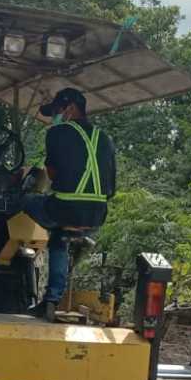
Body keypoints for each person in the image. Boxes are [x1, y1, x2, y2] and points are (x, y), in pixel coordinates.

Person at [20, 87, 116, 320]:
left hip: (63, 209)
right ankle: (51, 300)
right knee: (58, 238)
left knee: (20, 201)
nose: (55, 117)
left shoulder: (58, 132)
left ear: (71, 109)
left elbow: (51, 174)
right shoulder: (104, 138)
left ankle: (8, 266)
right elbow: (111, 188)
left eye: (57, 111)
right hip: (96, 216)